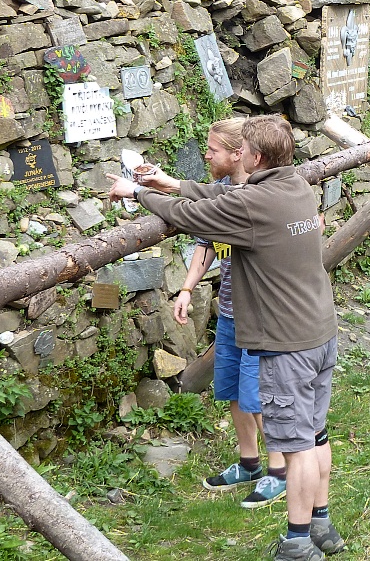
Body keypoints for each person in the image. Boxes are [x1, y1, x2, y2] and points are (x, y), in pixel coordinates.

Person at [109, 116, 344, 560]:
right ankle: (322, 527)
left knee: (294, 449)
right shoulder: (294, 187)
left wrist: (139, 194)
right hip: (320, 332)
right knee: (314, 435)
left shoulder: (254, 205)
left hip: (285, 342)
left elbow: (190, 216)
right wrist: (172, 183)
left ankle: (297, 544)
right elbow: (223, 195)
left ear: (254, 158)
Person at [147, 119, 286, 508]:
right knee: (231, 390)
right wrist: (187, 288)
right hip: (228, 310)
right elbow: (205, 244)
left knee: (258, 395)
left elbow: (187, 210)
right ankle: (249, 462)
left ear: (238, 153)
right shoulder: (220, 191)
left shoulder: (255, 197)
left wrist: (145, 192)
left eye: (213, 149)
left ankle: (280, 470)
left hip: (259, 315)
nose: (205, 155)